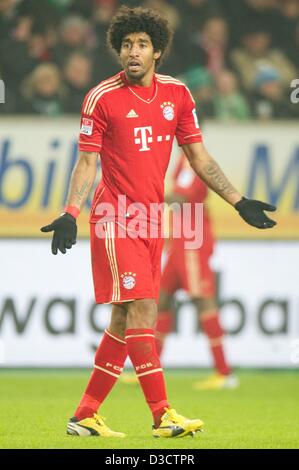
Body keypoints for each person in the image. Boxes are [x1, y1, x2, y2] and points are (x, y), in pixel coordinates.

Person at [41, 6, 277, 438]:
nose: (133, 51)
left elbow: (199, 157)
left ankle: (85, 414)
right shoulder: (101, 97)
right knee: (144, 308)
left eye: (142, 44)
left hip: (153, 221)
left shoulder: (178, 95)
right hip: (116, 218)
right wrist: (71, 212)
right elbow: (87, 162)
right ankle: (162, 414)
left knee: (121, 320)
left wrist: (238, 200)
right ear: (118, 51)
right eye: (126, 44)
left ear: (158, 52)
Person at [155, 152, 238, 390]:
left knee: (203, 301)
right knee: (161, 300)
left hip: (193, 239)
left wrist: (146, 193)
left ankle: (224, 373)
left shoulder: (196, 160)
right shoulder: (184, 159)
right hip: (181, 240)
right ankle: (149, 371)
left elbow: (180, 199)